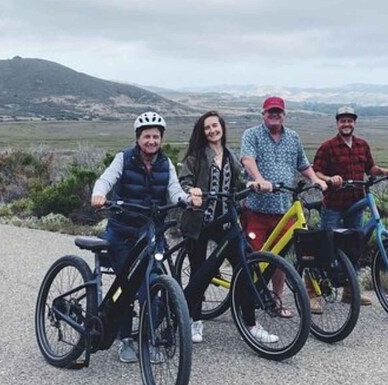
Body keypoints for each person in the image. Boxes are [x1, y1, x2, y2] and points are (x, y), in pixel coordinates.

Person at [91, 111, 201, 363]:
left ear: (161, 139)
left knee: (152, 287)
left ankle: (149, 338)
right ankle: (125, 339)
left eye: (155, 136)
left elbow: (174, 191)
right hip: (123, 232)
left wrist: (186, 200)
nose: (151, 141)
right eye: (146, 136)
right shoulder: (124, 159)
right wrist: (99, 195)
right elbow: (106, 180)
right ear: (138, 138)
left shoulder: (166, 164)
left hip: (151, 232)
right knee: (126, 287)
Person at [179, 111, 279, 344]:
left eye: (215, 126)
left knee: (245, 266)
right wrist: (191, 191)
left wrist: (252, 184)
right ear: (202, 133)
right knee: (199, 271)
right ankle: (194, 320)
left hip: (224, 222)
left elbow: (238, 183)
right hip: (199, 222)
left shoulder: (229, 156)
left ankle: (251, 323)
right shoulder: (195, 156)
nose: (212, 130)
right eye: (207, 128)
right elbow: (184, 181)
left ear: (222, 127)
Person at [240, 96, 327, 314]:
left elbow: (303, 164)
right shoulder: (252, 134)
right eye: (270, 112)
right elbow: (247, 159)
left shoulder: (293, 137)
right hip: (257, 208)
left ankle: (276, 300)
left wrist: (315, 179)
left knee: (279, 259)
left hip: (283, 209)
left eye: (278, 112)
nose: (274, 115)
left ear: (284, 115)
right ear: (263, 114)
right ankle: (244, 301)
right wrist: (259, 179)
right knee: (254, 257)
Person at [312, 106, 388, 306]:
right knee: (326, 246)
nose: (346, 124)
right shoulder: (328, 146)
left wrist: (383, 171)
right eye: (343, 121)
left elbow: (370, 168)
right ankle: (311, 291)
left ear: (354, 123)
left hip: (356, 204)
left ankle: (350, 292)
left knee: (354, 247)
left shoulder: (362, 145)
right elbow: (316, 172)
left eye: (350, 120)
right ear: (337, 123)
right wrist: (330, 178)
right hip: (333, 204)